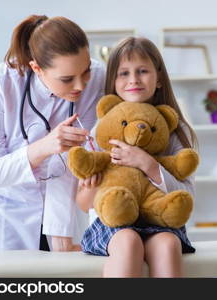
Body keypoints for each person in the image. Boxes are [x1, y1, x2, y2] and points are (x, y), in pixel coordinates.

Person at [0, 15, 105, 252]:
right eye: (67, 79)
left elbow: (78, 159)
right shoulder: (0, 82)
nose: (81, 85)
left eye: (85, 72)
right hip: (4, 208)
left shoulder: (97, 76)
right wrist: (45, 147)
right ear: (37, 68)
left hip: (64, 202)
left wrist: (59, 229)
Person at [76, 37, 199, 277]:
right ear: (113, 80)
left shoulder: (175, 130)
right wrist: (93, 184)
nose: (133, 79)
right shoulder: (103, 129)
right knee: (129, 242)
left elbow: (188, 196)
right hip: (114, 223)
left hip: (161, 222)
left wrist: (148, 164)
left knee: (167, 244)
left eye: (142, 71)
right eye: (123, 73)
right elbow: (83, 204)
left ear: (159, 77)